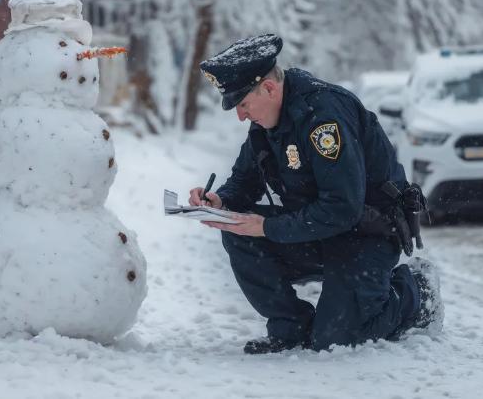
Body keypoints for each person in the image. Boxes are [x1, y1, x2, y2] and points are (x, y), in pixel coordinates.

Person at [189, 34, 443, 354]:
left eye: (242, 104)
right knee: (237, 229)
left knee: (337, 339)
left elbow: (343, 208)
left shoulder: (323, 117)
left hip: (366, 233)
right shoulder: (268, 120)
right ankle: (291, 327)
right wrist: (220, 201)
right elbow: (244, 179)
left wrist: (267, 227)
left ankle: (415, 290)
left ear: (269, 88)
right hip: (315, 229)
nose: (240, 115)